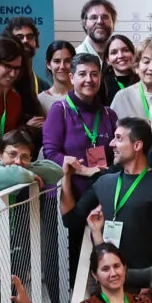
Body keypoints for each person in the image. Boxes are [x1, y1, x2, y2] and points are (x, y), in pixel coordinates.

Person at [42, 54, 119, 214]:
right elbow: (50, 153)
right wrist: (80, 169)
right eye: (82, 74)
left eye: (94, 74)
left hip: (102, 194)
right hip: (68, 194)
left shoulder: (108, 114)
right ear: (71, 77)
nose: (89, 79)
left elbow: (117, 153)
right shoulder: (60, 110)